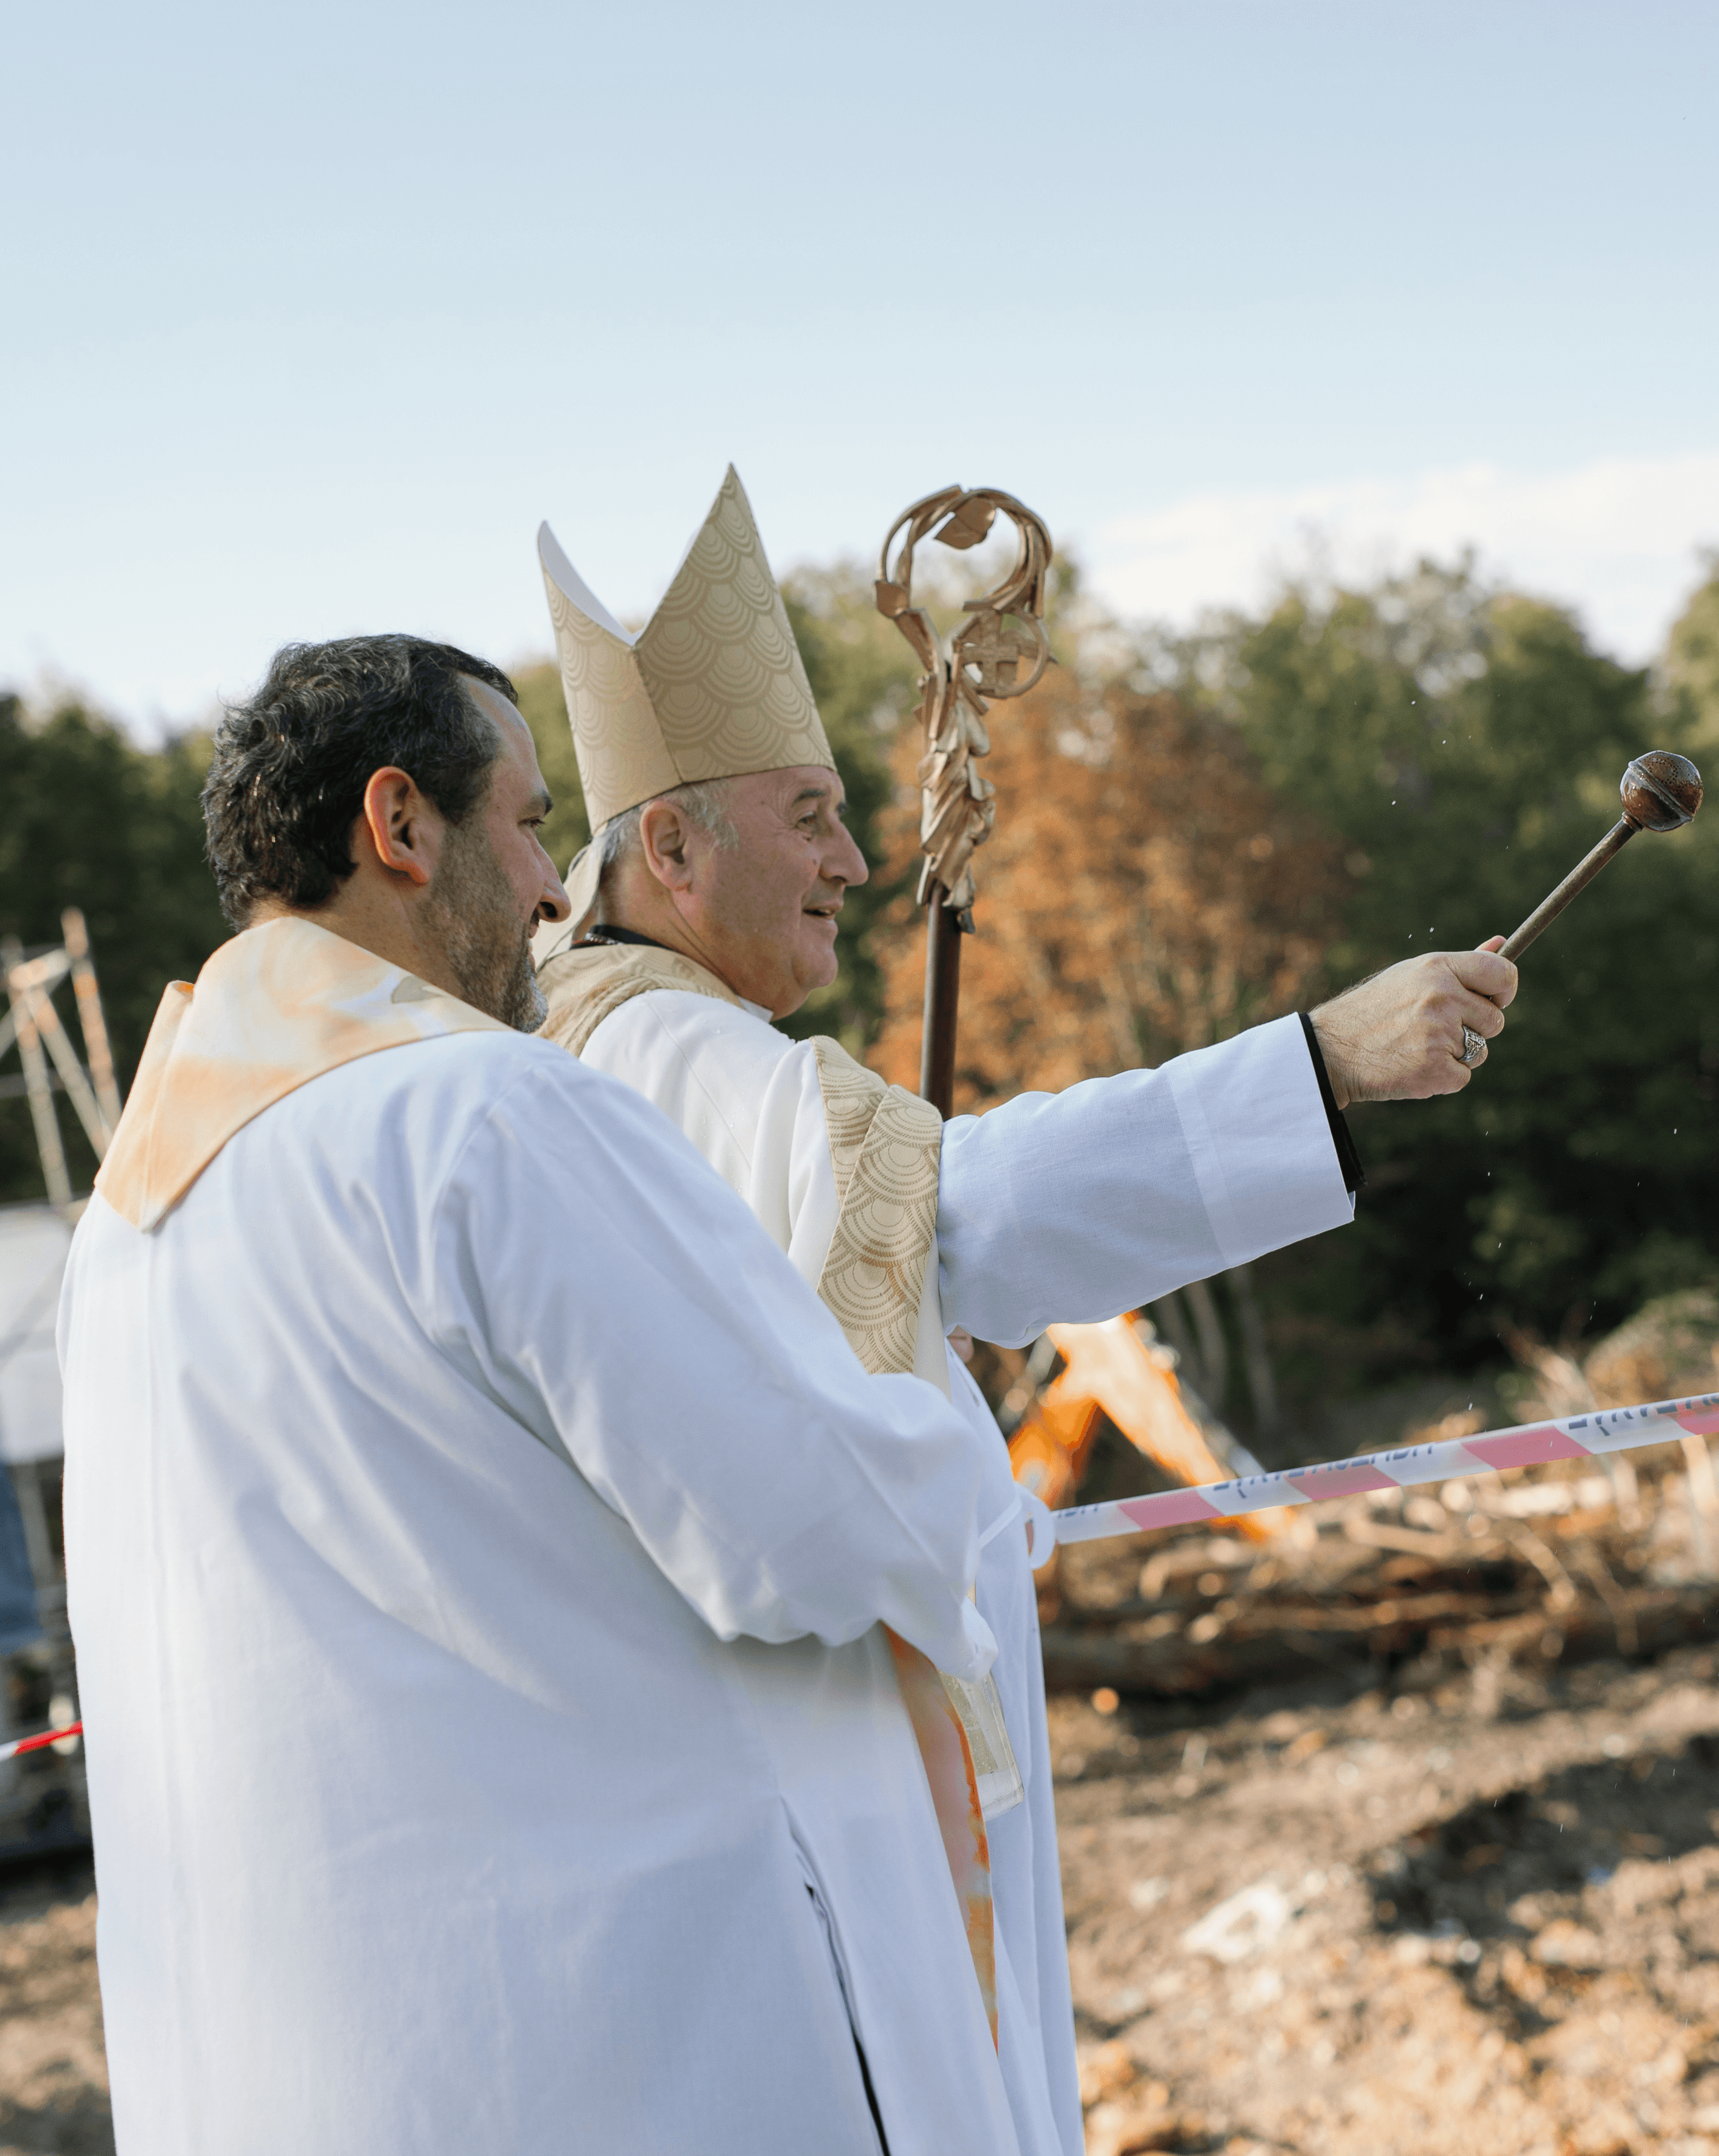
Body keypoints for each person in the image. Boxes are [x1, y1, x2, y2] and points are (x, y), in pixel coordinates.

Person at [530, 468, 1520, 2156]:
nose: (856, 860)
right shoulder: (678, 1059)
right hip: (804, 1788)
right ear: (674, 847)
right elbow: (973, 1212)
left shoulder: (590, 1040)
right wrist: (1326, 1063)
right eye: (810, 814)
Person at [59, 633, 1040, 2152]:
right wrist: (916, 1400)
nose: (552, 891)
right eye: (524, 824)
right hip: (600, 2037)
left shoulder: (124, 1223)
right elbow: (805, 1526)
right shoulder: (483, 1113)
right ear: (399, 825)